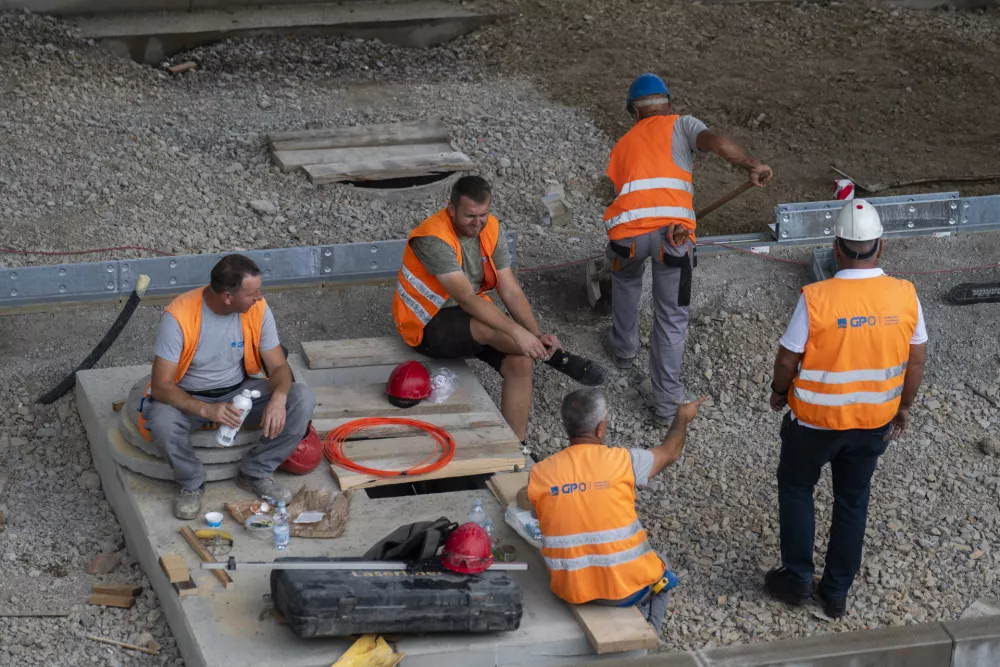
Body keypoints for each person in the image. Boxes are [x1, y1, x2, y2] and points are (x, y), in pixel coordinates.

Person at [764, 199, 927, 618]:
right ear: (881, 247)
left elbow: (787, 358)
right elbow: (917, 357)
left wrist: (780, 391)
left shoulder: (818, 298)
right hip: (874, 422)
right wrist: (904, 407)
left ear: (836, 248)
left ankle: (797, 578)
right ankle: (836, 592)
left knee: (798, 488)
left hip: (815, 423)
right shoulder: (905, 295)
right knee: (852, 500)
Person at [601, 72, 773, 425]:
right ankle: (665, 407)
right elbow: (721, 144)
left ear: (633, 113)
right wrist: (752, 165)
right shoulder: (682, 125)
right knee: (670, 316)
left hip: (627, 236)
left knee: (626, 282)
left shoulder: (623, 144)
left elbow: (621, 191)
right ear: (669, 104)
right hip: (674, 237)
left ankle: (623, 349)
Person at [393, 175, 606, 447]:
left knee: (521, 360)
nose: (477, 222)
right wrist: (518, 333)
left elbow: (510, 289)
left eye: (484, 214)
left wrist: (534, 332)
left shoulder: (491, 228)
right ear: (451, 209)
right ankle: (554, 358)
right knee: (494, 328)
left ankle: (515, 447)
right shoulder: (433, 238)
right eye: (470, 215)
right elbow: (468, 299)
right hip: (426, 325)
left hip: (472, 320)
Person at [144, 254, 317, 520]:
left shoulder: (257, 309)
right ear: (227, 296)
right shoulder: (179, 316)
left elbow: (280, 368)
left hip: (241, 392)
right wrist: (206, 410)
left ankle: (255, 472)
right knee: (161, 421)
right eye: (252, 292)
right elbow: (161, 386)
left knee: (301, 398)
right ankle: (191, 483)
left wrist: (279, 397)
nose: (259, 296)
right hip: (190, 397)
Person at [524, 388, 705, 636]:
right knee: (661, 563)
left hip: (570, 590)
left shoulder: (541, 474)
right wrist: (683, 416)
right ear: (600, 429)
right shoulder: (623, 461)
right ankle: (649, 631)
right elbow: (670, 452)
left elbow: (533, 508)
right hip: (625, 592)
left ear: (567, 427)